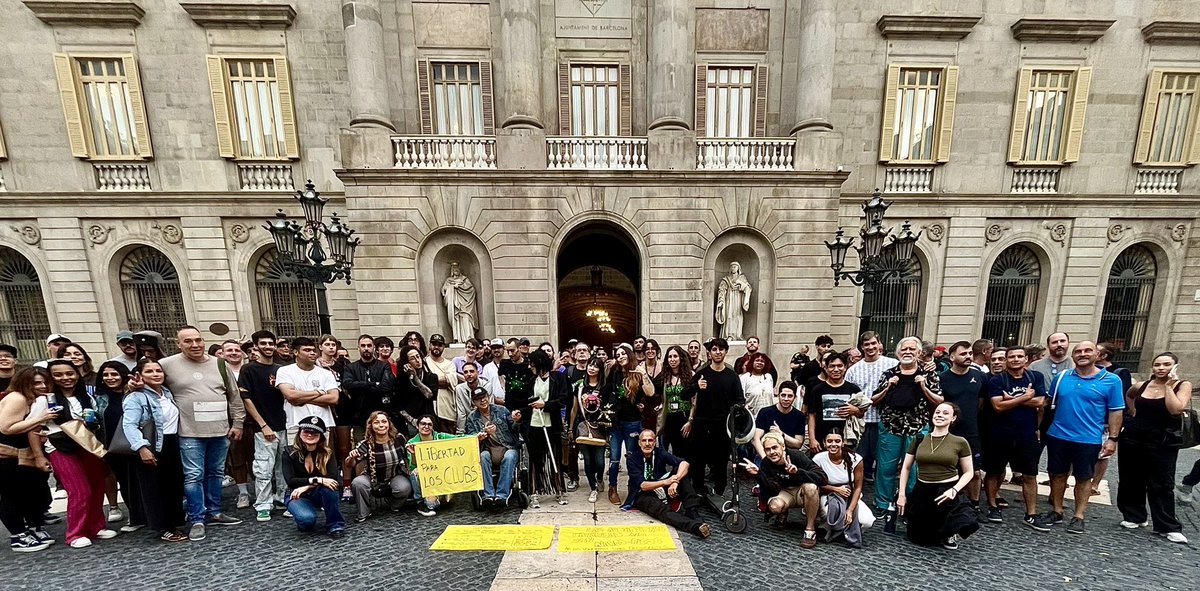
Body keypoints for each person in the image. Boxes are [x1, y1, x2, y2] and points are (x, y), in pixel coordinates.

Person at [159, 326, 245, 541]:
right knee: (193, 476)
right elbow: (152, 386)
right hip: (189, 432)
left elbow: (234, 397)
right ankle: (197, 517)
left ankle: (214, 511)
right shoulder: (166, 365)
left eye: (198, 340)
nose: (195, 345)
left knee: (216, 472)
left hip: (220, 430)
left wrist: (238, 423)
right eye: (188, 341)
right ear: (178, 344)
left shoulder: (220, 364)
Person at [1036, 341, 1124, 534]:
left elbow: (1116, 411)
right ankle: (1057, 510)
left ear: (1097, 355)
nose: (1082, 354)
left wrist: (1113, 439)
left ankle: (1079, 516)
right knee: (1057, 474)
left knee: (1084, 478)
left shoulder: (1111, 380)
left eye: (1087, 351)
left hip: (1089, 438)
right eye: (1078, 351)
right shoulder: (1062, 377)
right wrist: (1039, 428)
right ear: (1072, 355)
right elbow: (1048, 403)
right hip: (1058, 435)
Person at [30, 360, 115, 548]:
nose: (65, 378)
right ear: (51, 378)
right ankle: (75, 533)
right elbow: (33, 428)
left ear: (77, 375)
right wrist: (39, 455)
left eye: (70, 373)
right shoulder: (43, 401)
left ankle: (96, 526)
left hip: (88, 446)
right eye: (58, 375)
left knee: (96, 485)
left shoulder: (87, 397)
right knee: (79, 490)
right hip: (61, 448)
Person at [1117, 352, 1191, 544]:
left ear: (1174, 367)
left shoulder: (1181, 385)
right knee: (1130, 478)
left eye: (1166, 364)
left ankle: (1167, 526)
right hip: (1134, 437)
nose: (1161, 368)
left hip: (1162, 440)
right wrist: (1132, 412)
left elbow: (1176, 409)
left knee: (1162, 482)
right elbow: (1129, 395)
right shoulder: (1142, 385)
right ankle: (1134, 515)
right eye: (1157, 364)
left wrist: (1167, 387)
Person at [871, 337, 942, 515]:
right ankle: (883, 503)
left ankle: (909, 504)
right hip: (890, 427)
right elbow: (874, 400)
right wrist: (888, 387)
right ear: (897, 353)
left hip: (917, 428)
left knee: (914, 469)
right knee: (886, 466)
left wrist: (924, 387)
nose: (907, 352)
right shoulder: (889, 373)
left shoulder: (928, 374)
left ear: (919, 353)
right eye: (904, 349)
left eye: (912, 349)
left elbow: (940, 400)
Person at [122, 359, 188, 542]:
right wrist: (141, 447)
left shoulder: (166, 392)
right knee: (154, 489)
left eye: (158, 370)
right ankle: (161, 527)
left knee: (173, 486)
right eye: (149, 371)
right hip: (151, 445)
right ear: (140, 375)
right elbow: (129, 425)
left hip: (172, 443)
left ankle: (173, 522)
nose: (155, 374)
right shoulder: (136, 397)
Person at [897, 402, 979, 549]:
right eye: (937, 412)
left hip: (947, 490)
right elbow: (906, 467)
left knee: (967, 522)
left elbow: (969, 472)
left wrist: (954, 490)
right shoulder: (920, 438)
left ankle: (950, 531)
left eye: (945, 413)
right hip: (923, 490)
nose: (940, 415)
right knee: (919, 539)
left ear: (953, 418)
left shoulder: (960, 442)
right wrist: (902, 495)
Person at [983, 347, 1046, 529]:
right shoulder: (997, 379)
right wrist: (1025, 397)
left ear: (1026, 359)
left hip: (1026, 434)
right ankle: (993, 506)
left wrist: (1012, 399)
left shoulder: (1035, 377)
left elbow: (1040, 401)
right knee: (994, 471)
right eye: (1012, 357)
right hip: (999, 434)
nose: (1016, 359)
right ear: (1006, 360)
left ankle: (1031, 513)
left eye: (1020, 356)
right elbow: (998, 406)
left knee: (1029, 474)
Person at [0, 367, 55, 552]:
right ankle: (18, 535)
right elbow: (7, 428)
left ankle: (33, 527)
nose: (42, 386)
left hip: (22, 453)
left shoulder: (34, 399)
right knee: (10, 495)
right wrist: (40, 418)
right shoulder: (17, 397)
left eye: (44, 382)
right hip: (7, 454)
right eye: (36, 383)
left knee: (30, 491)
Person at [741, 431, 827, 548]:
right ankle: (782, 513)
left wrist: (798, 472)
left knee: (811, 487)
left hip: (803, 492)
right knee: (775, 506)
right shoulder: (766, 463)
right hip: (784, 492)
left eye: (775, 447)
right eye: (768, 449)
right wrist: (759, 474)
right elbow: (772, 489)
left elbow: (822, 478)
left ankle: (810, 529)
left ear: (783, 447)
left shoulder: (797, 456)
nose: (772, 452)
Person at [238, 330, 288, 523]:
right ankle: (263, 504)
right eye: (264, 343)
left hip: (284, 423)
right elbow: (246, 399)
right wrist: (263, 425)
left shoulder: (281, 369)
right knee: (263, 468)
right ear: (256, 346)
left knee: (283, 466)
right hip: (264, 427)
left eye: (271, 343)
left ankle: (282, 497)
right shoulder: (249, 369)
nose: (268, 347)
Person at [685, 337, 745, 497]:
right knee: (698, 460)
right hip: (702, 425)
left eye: (721, 349)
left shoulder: (732, 376)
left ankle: (719, 490)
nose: (718, 352)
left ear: (725, 352)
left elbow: (740, 399)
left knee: (721, 460)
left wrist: (736, 411)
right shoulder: (702, 374)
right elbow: (685, 394)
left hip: (722, 426)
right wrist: (696, 387)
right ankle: (698, 490)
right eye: (714, 349)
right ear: (709, 353)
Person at [625, 429, 711, 538]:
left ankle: (692, 510)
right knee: (660, 510)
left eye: (650, 440)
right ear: (639, 443)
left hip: (662, 486)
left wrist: (676, 480)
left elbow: (684, 463)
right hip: (642, 493)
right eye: (644, 440)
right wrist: (667, 482)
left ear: (655, 442)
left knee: (680, 471)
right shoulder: (632, 458)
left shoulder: (659, 452)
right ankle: (694, 527)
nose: (647, 444)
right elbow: (643, 485)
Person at [938, 341, 988, 513]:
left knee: (974, 471)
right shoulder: (942, 379)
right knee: (949, 470)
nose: (968, 357)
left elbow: (981, 403)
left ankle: (974, 504)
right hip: (949, 432)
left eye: (969, 353)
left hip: (972, 431)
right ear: (952, 357)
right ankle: (951, 502)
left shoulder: (980, 376)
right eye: (963, 354)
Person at [95, 361, 144, 532]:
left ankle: (150, 514)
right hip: (113, 447)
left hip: (138, 444)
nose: (110, 378)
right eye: (106, 375)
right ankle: (136, 516)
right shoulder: (99, 398)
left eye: (114, 374)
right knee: (124, 481)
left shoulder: (134, 393)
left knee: (142, 480)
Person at [845, 331, 898, 485]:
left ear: (879, 344)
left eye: (873, 343)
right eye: (866, 344)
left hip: (884, 420)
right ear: (861, 347)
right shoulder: (853, 370)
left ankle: (880, 494)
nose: (870, 347)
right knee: (858, 459)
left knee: (883, 460)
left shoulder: (892, 364)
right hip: (861, 421)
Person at [341, 335, 395, 481]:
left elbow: (387, 386)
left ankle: (386, 483)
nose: (366, 348)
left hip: (381, 418)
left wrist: (361, 386)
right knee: (360, 454)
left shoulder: (383, 366)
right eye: (363, 345)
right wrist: (372, 384)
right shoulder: (351, 368)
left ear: (373, 348)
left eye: (369, 345)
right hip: (360, 418)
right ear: (358, 348)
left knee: (384, 449)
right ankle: (363, 485)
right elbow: (347, 384)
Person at [282, 416, 345, 538]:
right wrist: (319, 480)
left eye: (315, 432)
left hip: (316, 491)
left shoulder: (328, 453)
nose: (310, 435)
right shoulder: (289, 453)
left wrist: (307, 487)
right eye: (306, 431)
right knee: (307, 521)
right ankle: (303, 517)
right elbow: (291, 481)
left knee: (330, 488)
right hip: (296, 494)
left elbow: (333, 479)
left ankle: (335, 525)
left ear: (321, 435)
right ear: (300, 433)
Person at [605, 344, 653, 505]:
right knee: (614, 458)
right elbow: (607, 391)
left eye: (623, 353)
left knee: (633, 456)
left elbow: (650, 393)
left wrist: (644, 374)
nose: (620, 356)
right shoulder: (615, 372)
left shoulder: (638, 372)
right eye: (617, 354)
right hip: (616, 422)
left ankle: (634, 487)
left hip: (633, 422)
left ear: (629, 354)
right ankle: (612, 488)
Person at [813, 430, 875, 548]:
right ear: (824, 443)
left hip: (849, 495)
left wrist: (850, 510)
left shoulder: (855, 459)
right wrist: (836, 489)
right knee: (829, 514)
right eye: (830, 441)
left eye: (837, 441)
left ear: (843, 443)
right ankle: (834, 528)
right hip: (828, 494)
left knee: (867, 521)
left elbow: (858, 487)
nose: (833, 444)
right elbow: (816, 483)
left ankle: (845, 531)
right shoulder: (819, 459)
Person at [524, 349, 570, 507]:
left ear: (540, 364)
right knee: (535, 459)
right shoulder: (532, 381)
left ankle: (559, 490)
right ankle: (534, 492)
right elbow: (527, 402)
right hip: (535, 424)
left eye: (532, 364)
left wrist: (546, 405)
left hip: (552, 424)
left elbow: (563, 399)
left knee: (555, 457)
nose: (530, 367)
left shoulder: (558, 377)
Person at [347, 411, 412, 522]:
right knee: (358, 483)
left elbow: (407, 458)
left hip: (394, 475)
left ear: (389, 424)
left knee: (404, 487)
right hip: (372, 477)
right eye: (376, 422)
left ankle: (394, 504)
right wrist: (351, 457)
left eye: (384, 421)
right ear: (371, 426)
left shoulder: (399, 439)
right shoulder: (365, 444)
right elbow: (350, 465)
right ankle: (364, 513)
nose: (381, 425)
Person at [276, 337, 340, 442]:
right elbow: (290, 395)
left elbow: (333, 398)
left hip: (323, 423)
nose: (312, 353)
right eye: (307, 350)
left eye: (313, 350)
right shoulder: (285, 371)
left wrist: (299, 399)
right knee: (296, 457)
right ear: (296, 352)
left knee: (321, 457)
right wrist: (318, 392)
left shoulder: (326, 373)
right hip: (296, 424)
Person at [465, 388, 521, 507]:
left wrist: (517, 421)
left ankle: (502, 495)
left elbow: (515, 429)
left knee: (510, 457)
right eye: (478, 399)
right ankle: (488, 495)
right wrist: (481, 435)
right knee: (482, 457)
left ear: (488, 397)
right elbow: (470, 438)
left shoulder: (502, 410)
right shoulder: (471, 418)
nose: (483, 400)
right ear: (474, 403)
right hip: (487, 449)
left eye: (484, 397)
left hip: (507, 447)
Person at [804, 353, 865, 455]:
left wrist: (856, 411)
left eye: (839, 366)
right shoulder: (817, 390)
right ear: (826, 368)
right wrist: (812, 439)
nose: (836, 369)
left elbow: (861, 414)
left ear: (845, 368)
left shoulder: (853, 389)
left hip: (846, 440)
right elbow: (811, 415)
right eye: (832, 366)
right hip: (821, 440)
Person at [568, 359, 607, 502]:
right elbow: (574, 409)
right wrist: (570, 428)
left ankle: (599, 478)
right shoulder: (579, 387)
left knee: (600, 461)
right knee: (588, 460)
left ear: (600, 370)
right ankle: (593, 488)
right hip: (584, 426)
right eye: (591, 365)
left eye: (596, 366)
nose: (592, 368)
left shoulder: (605, 387)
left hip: (600, 426)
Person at [405, 415, 458, 516]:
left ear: (433, 427)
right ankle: (420, 502)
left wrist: (476, 437)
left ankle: (440, 496)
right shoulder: (412, 443)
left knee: (433, 505)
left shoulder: (441, 437)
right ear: (417, 426)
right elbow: (413, 466)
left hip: (442, 476)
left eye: (429, 424)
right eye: (423, 424)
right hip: (423, 477)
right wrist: (413, 453)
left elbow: (459, 439)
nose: (426, 426)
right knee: (415, 472)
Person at [657, 346, 694, 459]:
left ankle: (687, 475)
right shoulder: (665, 376)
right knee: (675, 452)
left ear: (681, 358)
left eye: (675, 356)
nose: (672, 359)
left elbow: (695, 401)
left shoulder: (691, 375)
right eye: (669, 357)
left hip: (685, 417)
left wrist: (690, 421)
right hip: (670, 418)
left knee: (687, 451)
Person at [753, 380, 806, 458]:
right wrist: (765, 458)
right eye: (783, 395)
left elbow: (798, 444)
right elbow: (755, 439)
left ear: (795, 397)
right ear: (778, 395)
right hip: (766, 454)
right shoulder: (765, 412)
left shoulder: (799, 416)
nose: (786, 399)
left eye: (790, 396)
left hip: (788, 456)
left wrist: (781, 434)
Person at [396, 345, 437, 434]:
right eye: (412, 358)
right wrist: (412, 420)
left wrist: (415, 378)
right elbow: (398, 406)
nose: (417, 360)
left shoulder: (431, 377)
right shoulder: (401, 381)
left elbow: (429, 395)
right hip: (411, 422)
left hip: (428, 420)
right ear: (407, 363)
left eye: (418, 356)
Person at [739, 352, 775, 417]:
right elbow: (741, 398)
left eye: (762, 361)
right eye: (757, 360)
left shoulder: (768, 377)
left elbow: (771, 397)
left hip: (768, 416)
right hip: (751, 416)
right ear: (752, 362)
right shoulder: (745, 378)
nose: (760, 363)